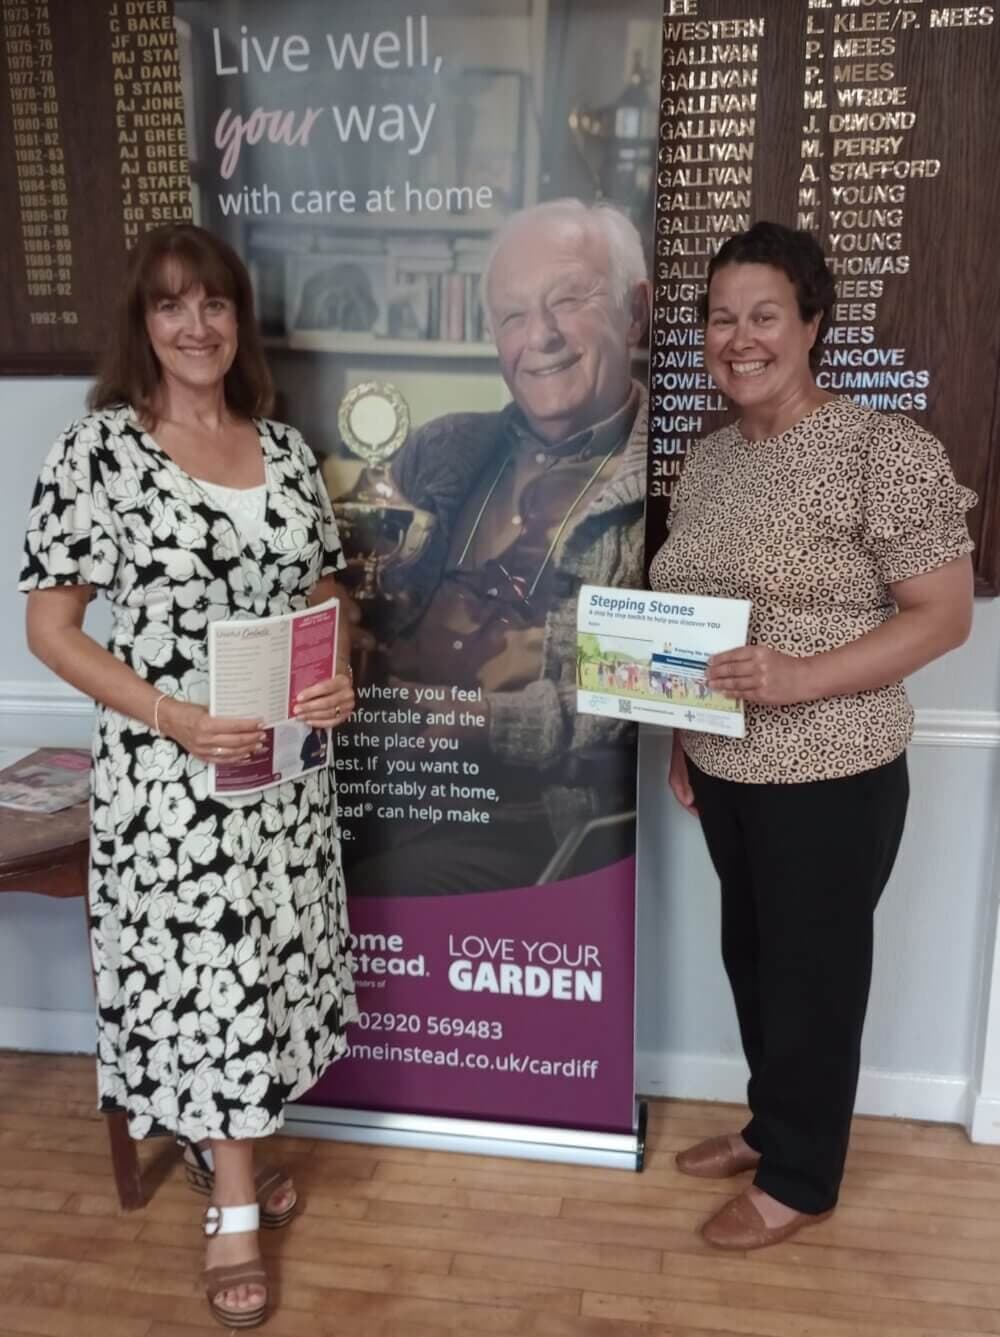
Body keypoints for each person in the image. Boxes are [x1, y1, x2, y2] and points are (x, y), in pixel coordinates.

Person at [19, 224, 358, 1327]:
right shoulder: (101, 452)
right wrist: (170, 713)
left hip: (285, 771)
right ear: (143, 326)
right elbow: (52, 629)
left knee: (265, 969)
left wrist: (336, 670)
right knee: (206, 977)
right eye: (171, 306)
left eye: (213, 303)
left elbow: (324, 589)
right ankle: (236, 1208)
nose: (196, 325)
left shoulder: (288, 448)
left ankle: (228, 1157)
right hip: (173, 778)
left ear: (237, 319)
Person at [649, 221, 974, 1250]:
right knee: (752, 957)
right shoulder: (703, 463)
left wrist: (794, 678)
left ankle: (800, 1178)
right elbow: (690, 619)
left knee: (811, 976)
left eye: (763, 316)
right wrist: (680, 730)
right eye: (719, 318)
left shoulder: (884, 450)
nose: (738, 339)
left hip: (834, 769)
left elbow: (942, 615)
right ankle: (769, 1123)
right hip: (725, 763)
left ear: (811, 326)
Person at [345, 199, 650, 895]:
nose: (539, 336)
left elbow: (646, 698)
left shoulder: (669, 484)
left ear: (635, 312)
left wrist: (480, 726)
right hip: (384, 786)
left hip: (532, 825)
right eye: (512, 316)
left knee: (366, 886)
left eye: (568, 300)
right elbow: (358, 592)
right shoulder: (441, 450)